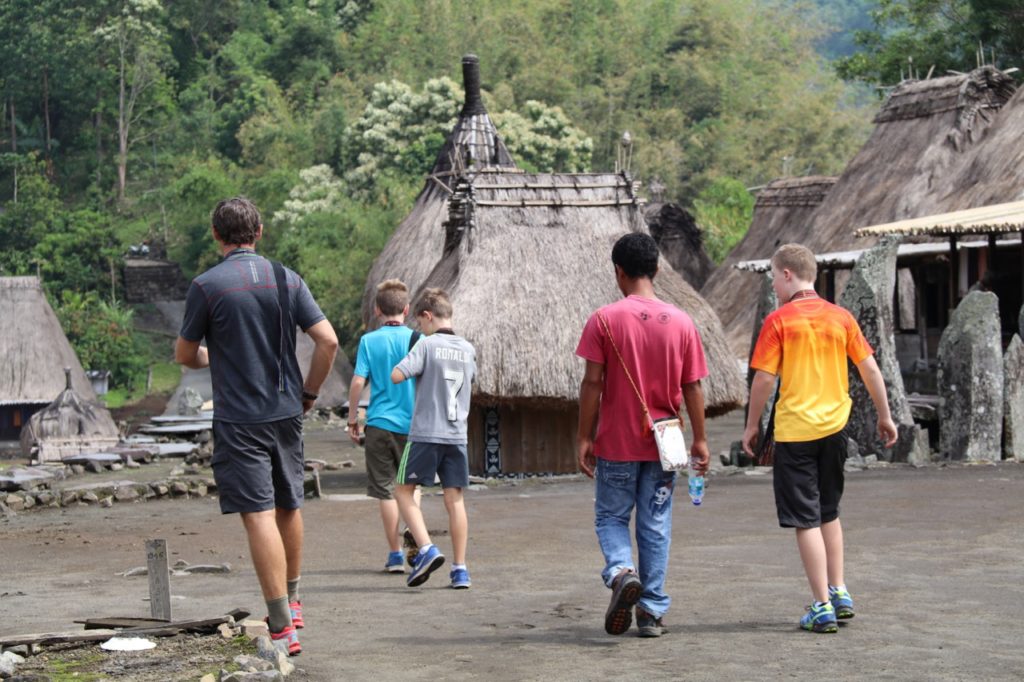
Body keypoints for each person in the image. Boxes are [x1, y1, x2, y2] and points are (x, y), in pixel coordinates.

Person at [175, 197, 338, 656]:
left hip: (239, 419)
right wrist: (309, 392)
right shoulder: (288, 279)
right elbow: (327, 340)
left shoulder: (207, 286)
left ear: (215, 236)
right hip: (287, 412)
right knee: (289, 504)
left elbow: (186, 356)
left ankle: (283, 626)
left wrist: (212, 354)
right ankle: (295, 599)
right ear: (259, 232)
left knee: (259, 514)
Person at [742, 243, 898, 634]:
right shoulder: (840, 318)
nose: (774, 284)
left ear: (788, 274)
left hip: (795, 432)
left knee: (804, 518)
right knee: (829, 510)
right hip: (834, 429)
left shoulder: (779, 321)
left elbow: (764, 378)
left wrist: (751, 425)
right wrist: (885, 415)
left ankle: (821, 605)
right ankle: (840, 589)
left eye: (775, 277)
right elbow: (871, 370)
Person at [575, 232, 710, 638]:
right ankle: (650, 611)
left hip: (616, 443)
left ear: (619, 271)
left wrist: (584, 436)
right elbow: (693, 388)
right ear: (656, 270)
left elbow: (592, 384)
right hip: (664, 444)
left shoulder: (604, 319)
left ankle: (620, 573)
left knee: (612, 516)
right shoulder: (683, 322)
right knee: (655, 523)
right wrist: (700, 439)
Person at [390, 288, 477, 589]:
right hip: (457, 435)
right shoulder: (468, 349)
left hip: (426, 432)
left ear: (427, 316)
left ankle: (426, 548)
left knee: (402, 491)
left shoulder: (427, 345)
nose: (421, 329)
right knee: (455, 500)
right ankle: (461, 569)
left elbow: (397, 375)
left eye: (421, 323)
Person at [347, 279, 422, 573]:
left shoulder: (369, 341)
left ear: (377, 310)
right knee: (412, 485)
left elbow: (357, 382)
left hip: (378, 423)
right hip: (413, 424)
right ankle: (412, 529)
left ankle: (394, 556)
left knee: (385, 490)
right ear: (407, 309)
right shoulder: (419, 340)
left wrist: (354, 419)